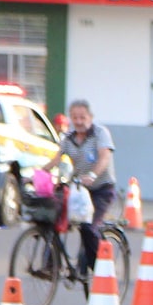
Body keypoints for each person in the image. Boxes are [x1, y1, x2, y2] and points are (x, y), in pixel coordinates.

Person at [48, 99, 117, 285]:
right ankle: (51, 265)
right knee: (53, 219)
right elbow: (56, 158)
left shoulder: (100, 133)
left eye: (82, 117)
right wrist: (39, 173)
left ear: (90, 117)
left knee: (89, 227)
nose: (79, 121)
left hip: (101, 190)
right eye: (75, 117)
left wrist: (93, 174)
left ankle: (101, 271)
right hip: (79, 191)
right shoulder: (68, 138)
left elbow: (104, 157)